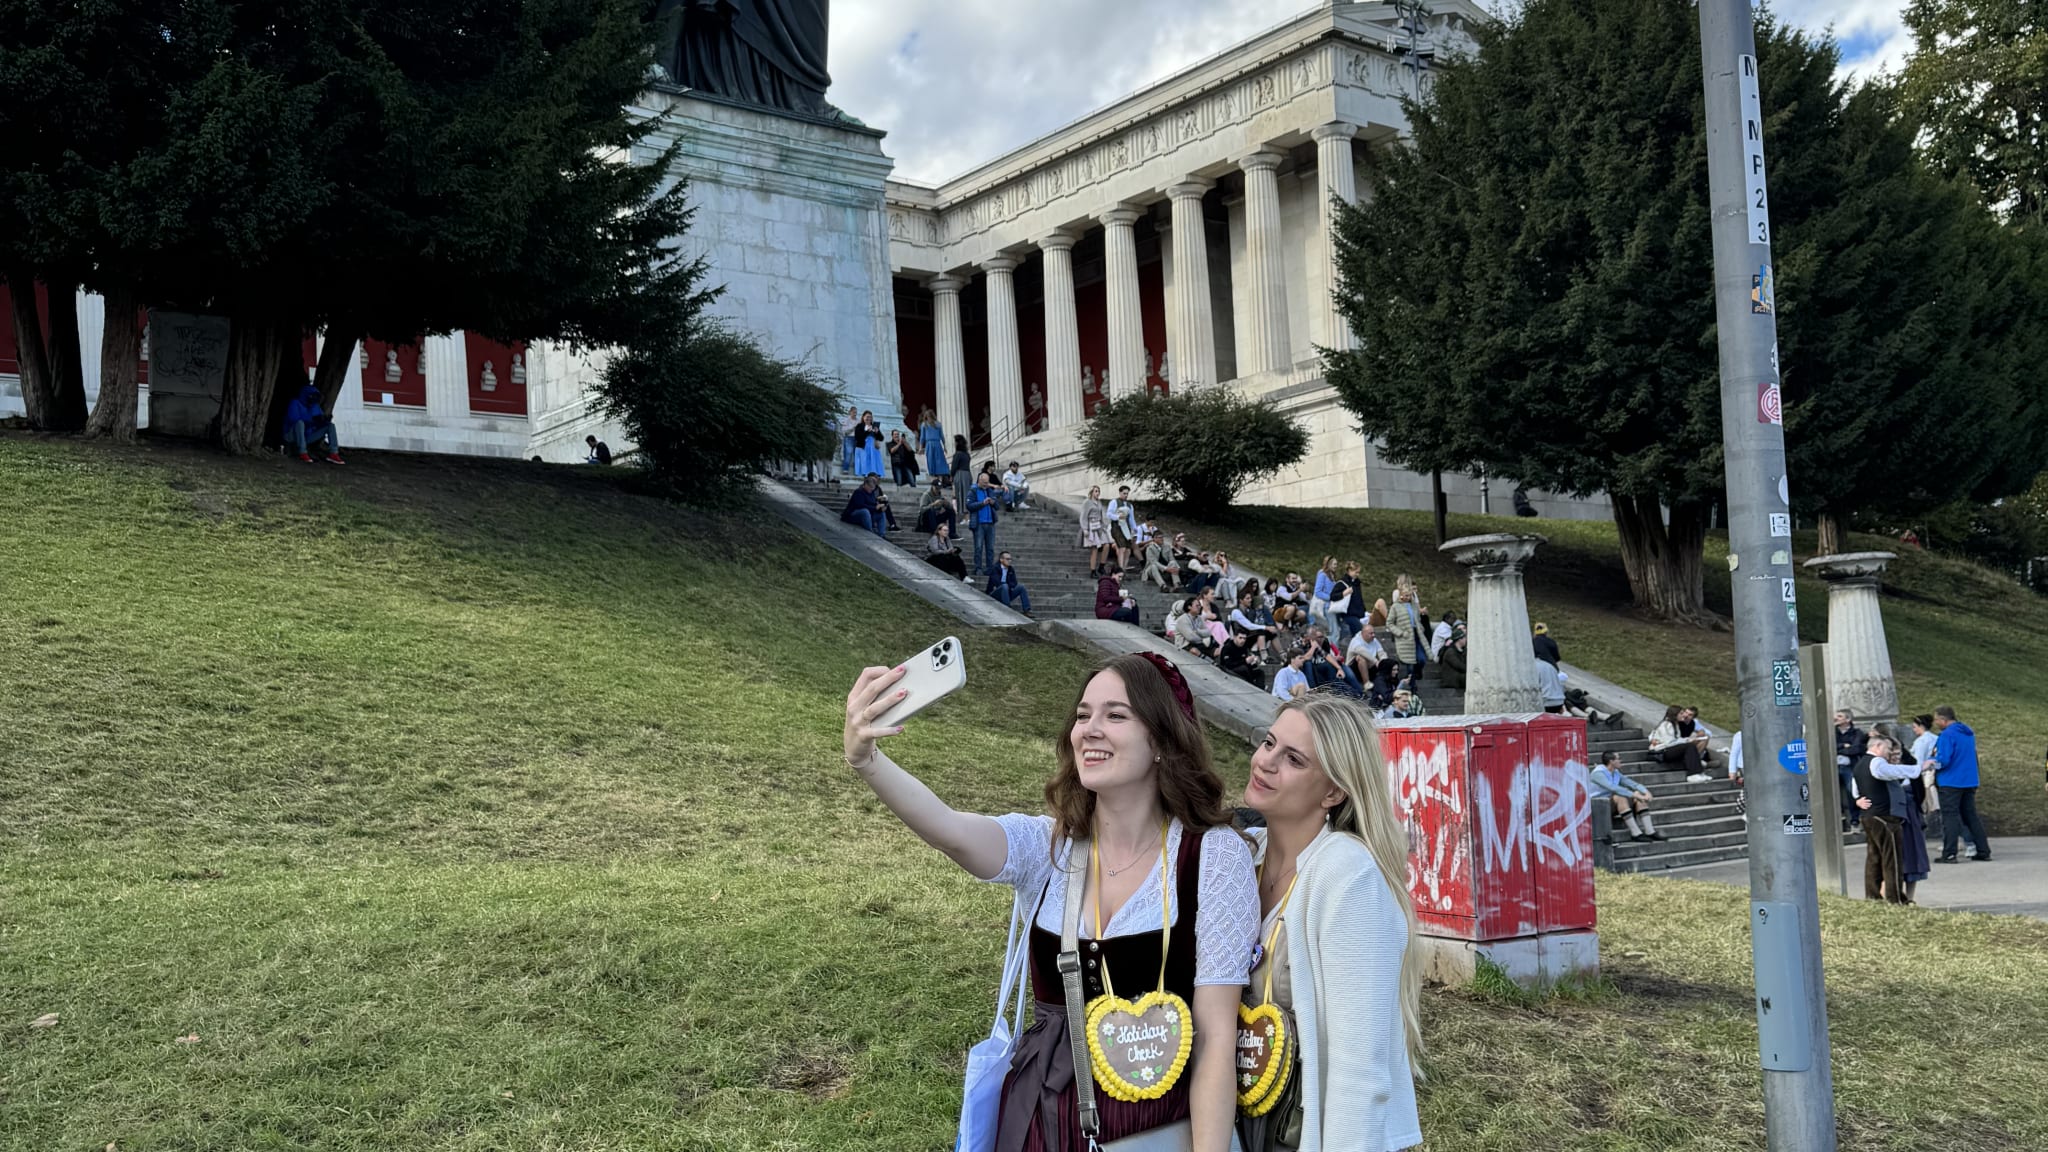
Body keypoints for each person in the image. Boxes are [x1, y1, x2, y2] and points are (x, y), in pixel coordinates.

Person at [840, 652, 1255, 1152]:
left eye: (1115, 715)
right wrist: (866, 760)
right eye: (1083, 715)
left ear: (1163, 741)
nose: (1089, 730)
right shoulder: (1050, 847)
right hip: (1043, 1118)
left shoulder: (1210, 855)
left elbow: (1213, 1041)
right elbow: (950, 830)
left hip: (1155, 1125)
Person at [1236, 694, 1424, 1152]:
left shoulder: (1347, 873)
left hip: (1307, 1134)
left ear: (1333, 792)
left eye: (1293, 759)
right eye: (1268, 743)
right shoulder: (1243, 856)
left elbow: (1360, 1070)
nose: (1266, 762)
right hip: (1241, 1123)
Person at [1851, 734, 1918, 904]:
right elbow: (1888, 772)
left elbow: (1855, 788)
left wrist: (1857, 799)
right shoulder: (1877, 763)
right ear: (1878, 746)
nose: (1889, 753)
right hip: (1885, 817)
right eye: (1888, 749)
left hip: (1869, 816)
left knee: (1874, 857)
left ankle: (1872, 896)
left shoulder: (1859, 765)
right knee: (1892, 858)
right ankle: (1895, 898)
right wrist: (1917, 769)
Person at [1926, 705, 1990, 863]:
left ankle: (1949, 852)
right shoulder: (1968, 733)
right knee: (1971, 816)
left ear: (1943, 719)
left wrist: (1931, 764)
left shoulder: (1946, 735)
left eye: (1936, 719)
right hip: (1969, 780)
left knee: (1950, 817)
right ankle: (1983, 850)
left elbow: (1944, 760)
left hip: (1951, 781)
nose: (1935, 723)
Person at [1590, 751, 1666, 842]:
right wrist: (1634, 794)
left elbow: (1631, 784)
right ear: (1611, 761)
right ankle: (1636, 833)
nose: (1621, 760)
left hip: (1610, 803)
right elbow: (1613, 788)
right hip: (1597, 806)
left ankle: (1650, 831)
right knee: (1620, 797)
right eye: (1618, 758)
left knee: (1638, 797)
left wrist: (1646, 792)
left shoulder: (1615, 772)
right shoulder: (1598, 773)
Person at [283, 385, 344, 464]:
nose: (313, 398)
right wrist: (312, 421)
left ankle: (333, 453)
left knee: (330, 426)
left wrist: (323, 420)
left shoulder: (315, 406)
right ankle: (302, 452)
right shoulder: (295, 403)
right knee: (300, 423)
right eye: (312, 395)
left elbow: (317, 420)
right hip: (291, 435)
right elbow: (294, 419)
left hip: (307, 436)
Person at [1647, 705, 1708, 779]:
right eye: (1681, 713)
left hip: (1667, 749)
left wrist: (1687, 740)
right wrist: (1687, 740)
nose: (1684, 715)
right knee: (1689, 746)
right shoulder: (1667, 724)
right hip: (1661, 751)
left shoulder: (1675, 725)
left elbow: (1676, 740)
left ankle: (1698, 771)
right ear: (1675, 714)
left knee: (1691, 745)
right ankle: (1693, 774)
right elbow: (1669, 743)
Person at [1831, 711, 1868, 831]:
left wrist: (1839, 749)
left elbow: (1856, 749)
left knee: (1852, 791)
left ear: (1848, 719)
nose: (1835, 718)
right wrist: (1843, 746)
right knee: (1830, 792)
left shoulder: (1857, 733)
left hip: (1849, 766)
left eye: (1840, 716)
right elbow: (1829, 746)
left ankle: (1855, 821)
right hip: (1833, 766)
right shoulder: (1831, 732)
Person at [1346, 624, 1397, 708]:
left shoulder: (1374, 640)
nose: (1373, 635)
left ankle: (1387, 692)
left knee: (1386, 664)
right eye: (1371, 633)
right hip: (1353, 669)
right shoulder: (1356, 640)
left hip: (1370, 667)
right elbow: (1361, 651)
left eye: (1374, 633)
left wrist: (1384, 662)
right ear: (1363, 634)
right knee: (1361, 657)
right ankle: (1366, 683)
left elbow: (1381, 652)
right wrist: (1376, 661)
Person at [968, 470, 1002, 576]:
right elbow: (969, 506)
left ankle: (989, 568)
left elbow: (997, 506)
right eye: (984, 482)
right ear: (979, 480)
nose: (986, 485)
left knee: (990, 548)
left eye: (987, 482)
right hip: (979, 523)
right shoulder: (972, 491)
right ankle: (978, 567)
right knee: (978, 547)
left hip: (990, 523)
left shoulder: (989, 491)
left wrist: (992, 502)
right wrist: (982, 503)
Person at [1077, 485, 1115, 578]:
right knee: (1094, 549)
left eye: (1098, 491)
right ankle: (1092, 571)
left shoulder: (1099, 503)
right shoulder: (1087, 502)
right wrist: (1085, 529)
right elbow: (1083, 516)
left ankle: (1101, 566)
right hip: (1091, 527)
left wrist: (1104, 526)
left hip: (1099, 527)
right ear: (1092, 492)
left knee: (1106, 545)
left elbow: (1101, 515)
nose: (1097, 493)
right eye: (1096, 491)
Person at [984, 551, 1033, 615]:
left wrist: (1008, 586)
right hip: (994, 595)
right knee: (1004, 586)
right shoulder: (995, 568)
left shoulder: (1011, 569)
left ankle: (1027, 610)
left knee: (1021, 587)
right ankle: (1007, 608)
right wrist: (1007, 585)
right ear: (1001, 560)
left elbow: (1014, 583)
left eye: (1010, 559)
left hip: (1006, 592)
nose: (1009, 561)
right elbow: (997, 583)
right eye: (1007, 559)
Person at [1218, 624, 1266, 689]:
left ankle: (1261, 689)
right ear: (1235, 637)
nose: (1242, 640)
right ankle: (1253, 686)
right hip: (1230, 670)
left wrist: (1253, 662)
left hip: (1244, 669)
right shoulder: (1227, 648)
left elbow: (1247, 663)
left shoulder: (1244, 647)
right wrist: (1245, 661)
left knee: (1260, 672)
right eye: (1240, 638)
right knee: (1244, 669)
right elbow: (1228, 664)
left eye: (1244, 638)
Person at [1106, 486, 1139, 572]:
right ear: (1120, 493)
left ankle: (1124, 567)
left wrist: (1134, 529)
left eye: (1127, 494)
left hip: (1126, 528)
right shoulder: (1114, 502)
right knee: (1122, 547)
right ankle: (1120, 568)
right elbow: (1109, 514)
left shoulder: (1129, 505)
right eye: (1124, 493)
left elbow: (1131, 519)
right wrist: (1118, 517)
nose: (1126, 495)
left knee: (1128, 549)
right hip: (1117, 527)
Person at [853, 410, 886, 479]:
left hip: (873, 447)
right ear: (863, 417)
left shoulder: (874, 426)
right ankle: (865, 473)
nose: (868, 419)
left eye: (870, 417)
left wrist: (877, 432)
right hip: (863, 446)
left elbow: (881, 438)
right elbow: (857, 437)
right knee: (865, 460)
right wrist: (867, 432)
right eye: (867, 417)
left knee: (873, 460)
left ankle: (874, 473)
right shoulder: (859, 426)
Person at [919, 408, 949, 478]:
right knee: (935, 460)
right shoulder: (927, 424)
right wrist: (944, 446)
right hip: (934, 444)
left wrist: (945, 446)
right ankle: (936, 477)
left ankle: (936, 477)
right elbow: (922, 437)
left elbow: (941, 436)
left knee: (934, 460)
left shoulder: (928, 424)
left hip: (932, 444)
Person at [950, 434, 974, 513]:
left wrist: (951, 475)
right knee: (967, 494)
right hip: (967, 474)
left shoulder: (957, 454)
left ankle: (962, 512)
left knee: (960, 494)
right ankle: (966, 511)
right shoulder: (967, 455)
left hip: (960, 474)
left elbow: (954, 467)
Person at [838, 405, 859, 479]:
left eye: (856, 412)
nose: (855, 414)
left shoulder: (858, 421)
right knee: (848, 453)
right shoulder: (846, 420)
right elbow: (844, 431)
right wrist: (853, 428)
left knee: (857, 455)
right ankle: (845, 469)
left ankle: (857, 470)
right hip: (849, 438)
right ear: (850, 412)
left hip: (856, 438)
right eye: (853, 412)